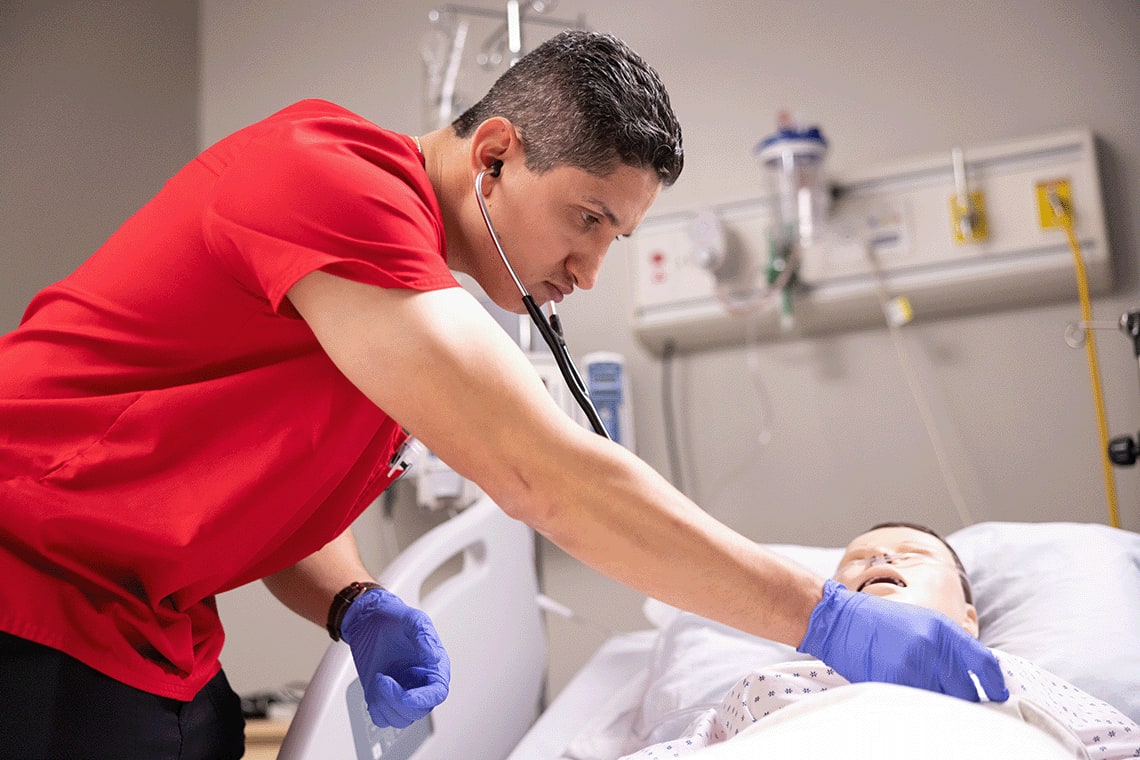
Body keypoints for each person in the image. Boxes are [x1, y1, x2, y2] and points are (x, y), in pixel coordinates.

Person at [0, 30, 1004, 759]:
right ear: (492, 158)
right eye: (586, 219)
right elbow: (545, 477)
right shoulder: (331, 182)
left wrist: (355, 597)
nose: (591, 268)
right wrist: (823, 619)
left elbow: (269, 478)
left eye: (617, 237)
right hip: (29, 592)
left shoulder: (398, 299)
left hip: (153, 631)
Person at [621, 522, 1140, 759]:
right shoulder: (768, 684)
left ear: (968, 617)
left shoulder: (1013, 677)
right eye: (855, 562)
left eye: (911, 554)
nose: (880, 561)